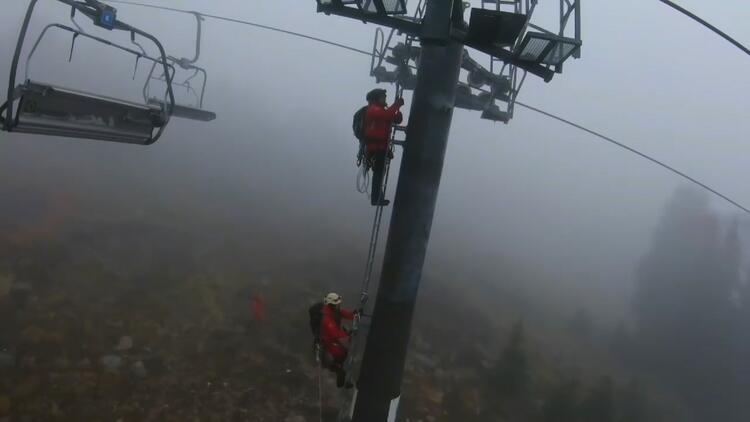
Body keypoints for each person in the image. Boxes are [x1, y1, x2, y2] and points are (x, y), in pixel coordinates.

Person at [363, 89, 404, 206]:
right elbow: (386, 116)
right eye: (383, 97)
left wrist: (397, 116)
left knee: (380, 172)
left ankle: (378, 197)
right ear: (376, 98)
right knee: (379, 172)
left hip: (381, 146)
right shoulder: (373, 109)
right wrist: (397, 105)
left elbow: (388, 118)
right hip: (376, 147)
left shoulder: (379, 110)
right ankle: (376, 198)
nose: (384, 99)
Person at [318, 292, 357, 388]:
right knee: (341, 353)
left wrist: (354, 315)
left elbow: (344, 313)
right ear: (332, 305)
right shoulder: (326, 319)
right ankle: (337, 369)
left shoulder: (334, 312)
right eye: (337, 304)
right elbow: (335, 333)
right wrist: (347, 333)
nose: (339, 306)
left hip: (333, 340)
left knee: (343, 352)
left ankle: (339, 367)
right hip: (328, 342)